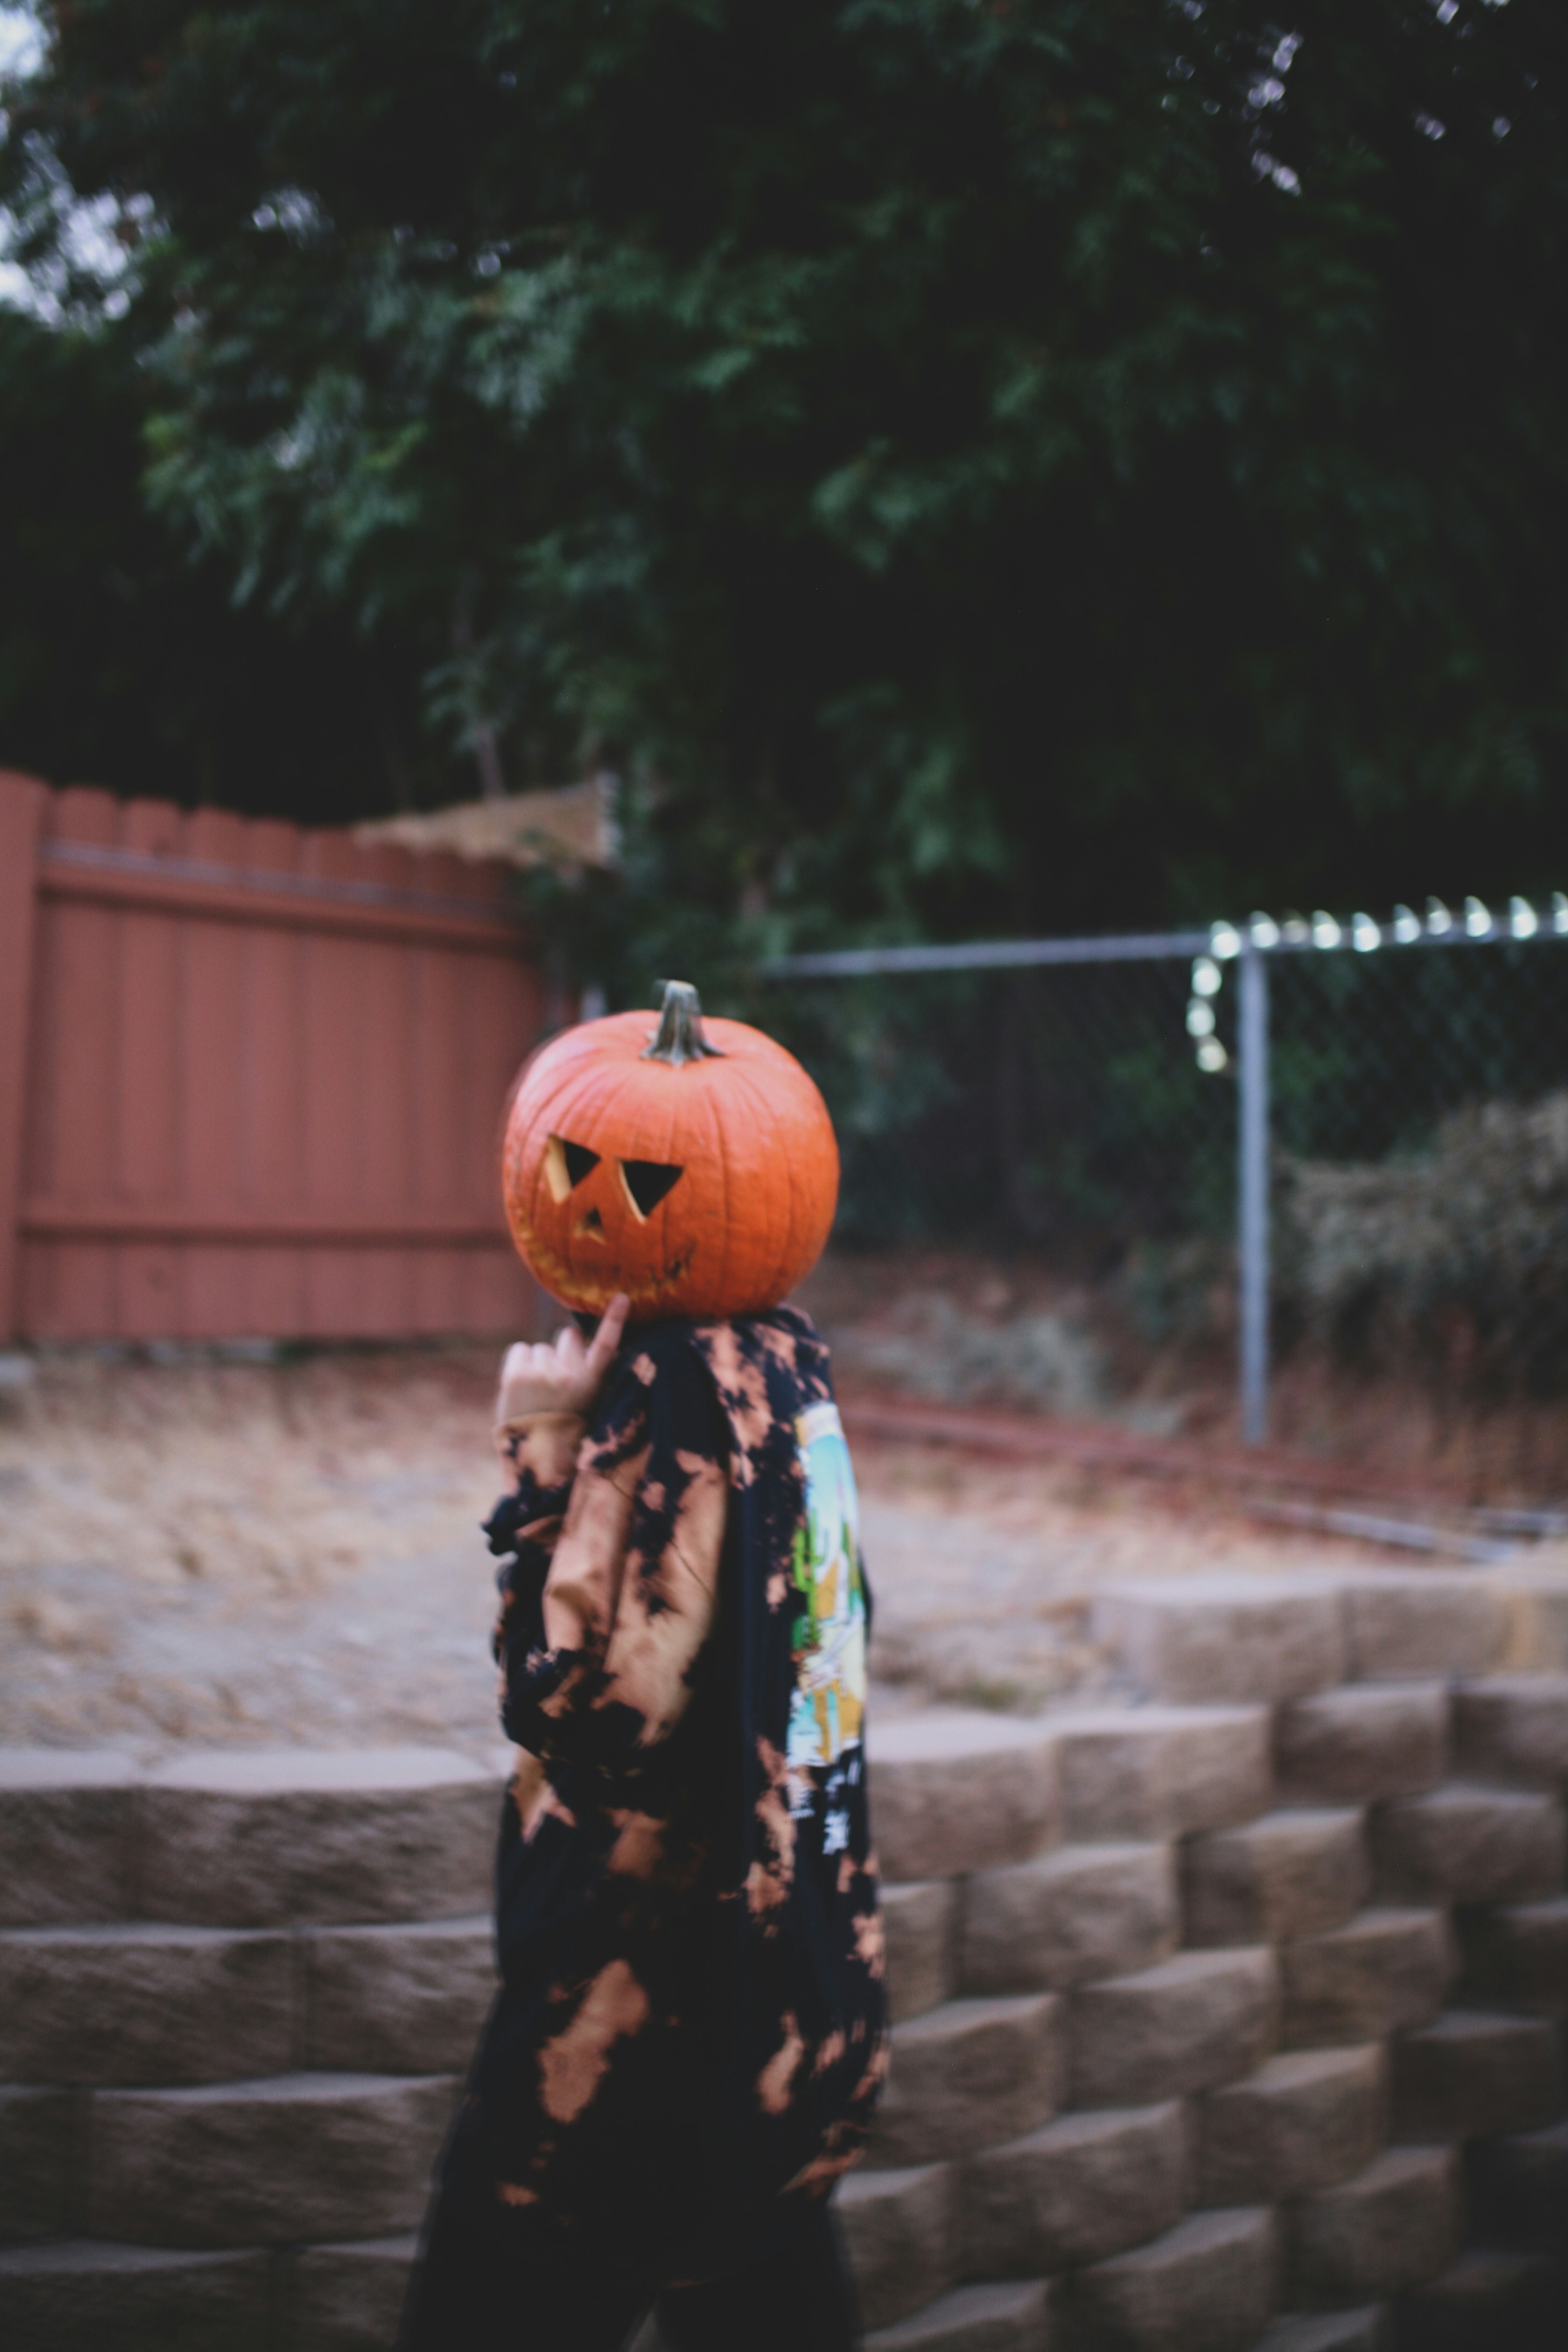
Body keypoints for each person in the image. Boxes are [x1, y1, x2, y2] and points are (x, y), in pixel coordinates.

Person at [400, 1021, 886, 2350]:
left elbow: (582, 1705)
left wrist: (544, 1449)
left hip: (629, 2027)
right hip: (790, 1988)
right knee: (762, 2281)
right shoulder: (791, 1374)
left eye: (632, 1182)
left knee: (491, 2294)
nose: (593, 1205)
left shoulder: (667, 1392)